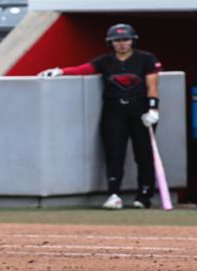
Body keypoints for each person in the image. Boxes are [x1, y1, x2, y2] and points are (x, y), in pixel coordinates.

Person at [38, 23, 162, 209]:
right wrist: (61, 71)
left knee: (144, 155)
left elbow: (152, 85)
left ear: (132, 41)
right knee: (114, 154)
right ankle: (113, 194)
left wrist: (153, 109)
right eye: (117, 41)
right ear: (111, 43)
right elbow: (85, 69)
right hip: (113, 111)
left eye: (125, 40)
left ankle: (144, 196)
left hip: (140, 111)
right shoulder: (105, 61)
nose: (122, 44)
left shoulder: (146, 59)